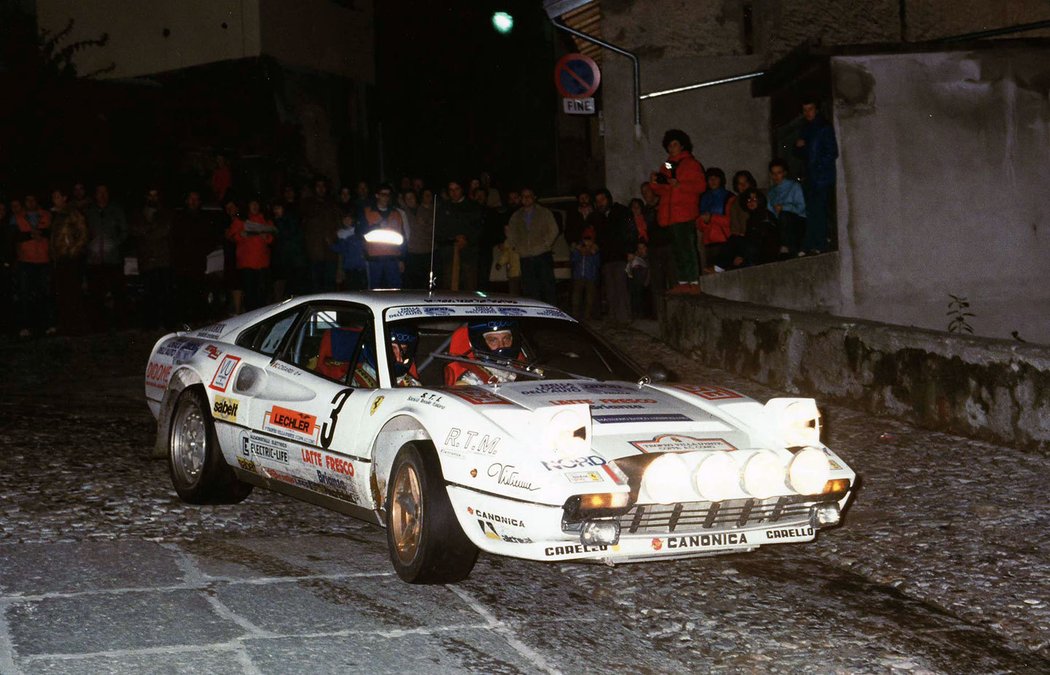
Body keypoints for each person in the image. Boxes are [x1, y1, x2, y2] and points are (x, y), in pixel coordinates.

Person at [649, 129, 706, 293]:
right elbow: (662, 189)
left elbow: (700, 186)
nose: (671, 148)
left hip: (685, 213)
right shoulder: (666, 165)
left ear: (682, 145)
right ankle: (683, 282)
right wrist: (655, 183)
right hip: (669, 216)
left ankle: (694, 282)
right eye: (669, 145)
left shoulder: (692, 164)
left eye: (674, 144)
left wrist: (679, 185)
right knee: (677, 251)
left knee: (687, 248)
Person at [796, 98, 838, 254]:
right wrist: (799, 147)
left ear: (817, 109)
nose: (807, 113)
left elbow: (832, 152)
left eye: (810, 109)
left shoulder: (823, 128)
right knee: (812, 210)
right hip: (810, 176)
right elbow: (801, 153)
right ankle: (812, 243)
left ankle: (820, 243)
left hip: (820, 176)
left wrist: (818, 167)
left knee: (819, 209)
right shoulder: (806, 128)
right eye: (805, 110)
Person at [131, 187, 175, 329]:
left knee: (165, 294)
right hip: (146, 261)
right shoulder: (138, 214)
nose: (153, 198)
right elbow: (135, 229)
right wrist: (150, 230)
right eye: (150, 195)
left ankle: (168, 324)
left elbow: (165, 230)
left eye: (155, 195)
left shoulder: (165, 212)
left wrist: (148, 231)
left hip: (163, 260)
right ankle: (151, 325)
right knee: (149, 295)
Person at [85, 184, 128, 331]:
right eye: (99, 192)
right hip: (94, 260)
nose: (102, 195)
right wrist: (90, 245)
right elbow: (83, 232)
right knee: (96, 294)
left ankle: (120, 325)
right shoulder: (89, 212)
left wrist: (113, 243)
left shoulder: (116, 210)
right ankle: (98, 325)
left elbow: (124, 231)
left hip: (113, 260)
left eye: (105, 192)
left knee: (118, 294)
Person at [505, 186, 558, 304]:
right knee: (530, 289)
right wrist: (517, 247)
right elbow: (511, 233)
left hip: (542, 255)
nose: (526, 199)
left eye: (529, 196)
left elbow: (554, 229)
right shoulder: (516, 216)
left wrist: (545, 245)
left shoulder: (544, 213)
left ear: (534, 197)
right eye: (523, 196)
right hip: (526, 258)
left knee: (547, 287)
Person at [172, 191, 220, 323]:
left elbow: (212, 239)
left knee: (198, 292)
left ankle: (198, 320)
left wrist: (201, 250)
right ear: (186, 201)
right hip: (181, 262)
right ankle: (183, 320)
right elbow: (173, 239)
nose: (193, 202)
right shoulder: (179, 217)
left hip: (198, 262)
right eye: (191, 199)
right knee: (183, 292)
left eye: (196, 199)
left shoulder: (204, 218)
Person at [589, 188, 634, 323]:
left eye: (602, 200)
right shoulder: (599, 217)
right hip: (606, 258)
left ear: (608, 199)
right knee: (610, 289)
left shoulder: (621, 212)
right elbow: (600, 237)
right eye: (597, 201)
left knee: (621, 287)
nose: (600, 203)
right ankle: (614, 318)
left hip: (620, 255)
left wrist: (630, 250)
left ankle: (625, 318)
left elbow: (630, 231)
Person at [12, 194, 54, 336]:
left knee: (45, 293)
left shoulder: (47, 215)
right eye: (27, 200)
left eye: (33, 199)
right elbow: (12, 236)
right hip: (25, 261)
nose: (30, 202)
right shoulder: (17, 217)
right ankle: (25, 326)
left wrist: (42, 234)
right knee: (25, 294)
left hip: (43, 260)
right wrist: (30, 235)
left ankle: (48, 324)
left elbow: (53, 233)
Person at [49, 187, 88, 335]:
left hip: (71, 259)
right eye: (53, 197)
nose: (55, 199)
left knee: (73, 292)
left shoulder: (72, 212)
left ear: (64, 198)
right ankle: (66, 325)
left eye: (57, 196)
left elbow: (83, 233)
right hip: (59, 259)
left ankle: (76, 326)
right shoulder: (56, 215)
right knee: (62, 293)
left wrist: (73, 251)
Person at [226, 198, 275, 313]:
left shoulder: (265, 219)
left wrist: (266, 237)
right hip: (246, 264)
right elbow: (230, 236)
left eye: (257, 203)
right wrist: (241, 235)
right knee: (250, 295)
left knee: (262, 294)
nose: (255, 206)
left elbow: (272, 237)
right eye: (252, 203)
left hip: (262, 263)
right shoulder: (241, 220)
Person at [445, 319, 525, 386]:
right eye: (493, 340)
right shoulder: (472, 379)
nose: (502, 345)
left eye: (506, 339)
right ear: (482, 343)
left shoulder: (521, 367)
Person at [435, 180, 482, 291]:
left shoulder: (473, 206)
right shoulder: (443, 208)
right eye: (451, 190)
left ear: (462, 190)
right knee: (449, 286)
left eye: (457, 189)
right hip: (449, 255)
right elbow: (439, 231)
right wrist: (452, 239)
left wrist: (466, 239)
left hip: (469, 254)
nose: (454, 193)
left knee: (469, 286)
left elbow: (478, 229)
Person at [300, 177, 342, 293]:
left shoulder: (332, 204)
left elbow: (339, 226)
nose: (321, 189)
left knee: (330, 285)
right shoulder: (307, 204)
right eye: (318, 186)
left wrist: (333, 240)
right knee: (315, 286)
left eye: (323, 186)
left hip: (330, 252)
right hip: (314, 253)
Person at [361, 183, 407, 289]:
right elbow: (360, 232)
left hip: (392, 259)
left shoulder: (396, 214)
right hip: (374, 259)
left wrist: (401, 259)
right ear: (377, 195)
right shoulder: (367, 212)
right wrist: (376, 226)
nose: (386, 197)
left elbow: (402, 237)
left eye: (388, 195)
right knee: (374, 290)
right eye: (383, 194)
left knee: (395, 289)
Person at [767, 159, 807, 257]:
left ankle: (788, 247)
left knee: (784, 215)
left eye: (779, 173)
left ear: (784, 173)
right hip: (781, 223)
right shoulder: (771, 192)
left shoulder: (794, 186)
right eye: (773, 173)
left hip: (798, 221)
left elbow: (801, 207)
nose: (776, 176)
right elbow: (770, 210)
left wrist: (784, 207)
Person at [698, 167, 732, 274]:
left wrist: (712, 218)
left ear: (721, 180)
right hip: (708, 243)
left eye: (715, 178)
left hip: (724, 242)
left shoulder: (729, 197)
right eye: (710, 179)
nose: (712, 181)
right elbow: (699, 222)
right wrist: (705, 222)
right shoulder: (703, 198)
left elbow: (731, 221)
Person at [570, 226, 600, 321]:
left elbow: (598, 263)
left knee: (589, 298)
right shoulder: (578, 250)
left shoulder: (595, 251)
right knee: (576, 297)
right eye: (585, 239)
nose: (587, 242)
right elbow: (573, 260)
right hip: (579, 276)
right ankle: (575, 315)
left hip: (590, 277)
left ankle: (587, 316)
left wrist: (592, 253)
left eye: (589, 239)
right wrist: (577, 251)